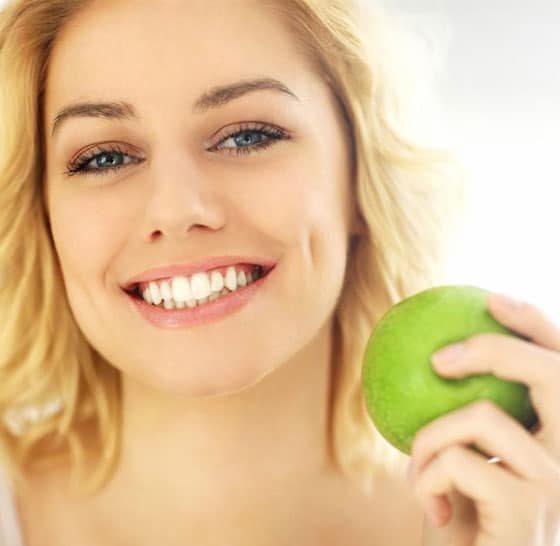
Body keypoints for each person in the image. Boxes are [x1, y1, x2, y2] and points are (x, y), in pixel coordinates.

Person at [3, 1, 559, 545]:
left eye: (247, 136)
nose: (176, 210)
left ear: (361, 176)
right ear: (43, 212)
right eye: (105, 158)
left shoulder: (517, 521)